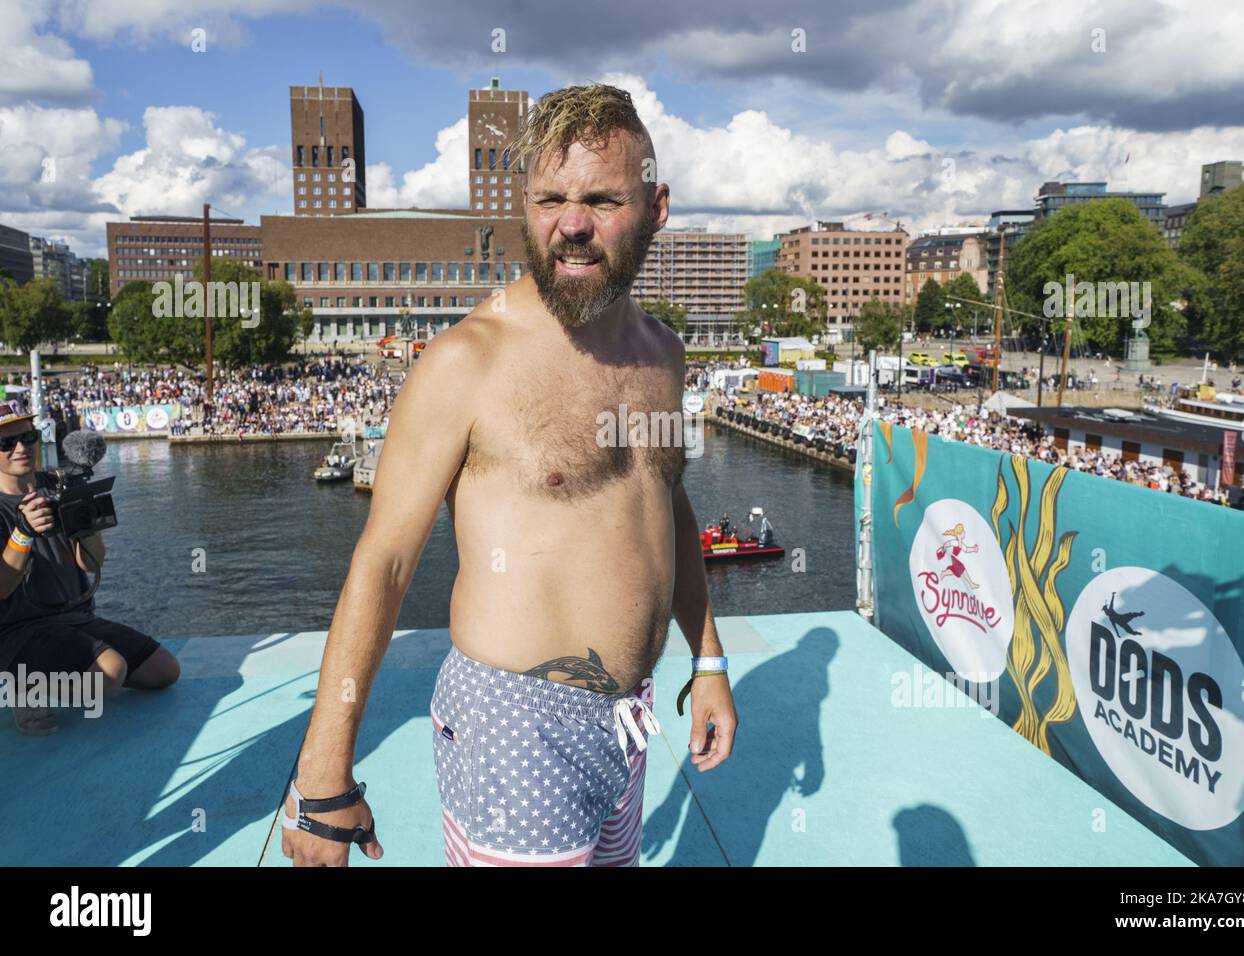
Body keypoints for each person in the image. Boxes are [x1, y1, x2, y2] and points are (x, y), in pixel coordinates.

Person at [282, 83, 737, 867]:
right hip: (511, 725)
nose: (571, 225)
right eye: (549, 199)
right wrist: (322, 777)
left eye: (602, 199)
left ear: (657, 207)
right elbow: (385, 561)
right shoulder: (467, 361)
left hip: (628, 719)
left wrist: (708, 660)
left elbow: (668, 505)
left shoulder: (664, 355)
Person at [0, 401, 179, 735]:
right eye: (6, 443)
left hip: (74, 616)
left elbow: (90, 561)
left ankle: (61, 676)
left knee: (164, 671)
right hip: (16, 630)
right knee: (110, 672)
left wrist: (87, 523)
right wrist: (22, 534)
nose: (21, 448)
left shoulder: (57, 485)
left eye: (27, 436)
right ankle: (24, 688)